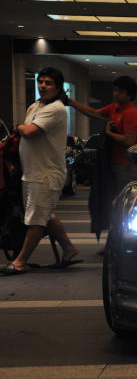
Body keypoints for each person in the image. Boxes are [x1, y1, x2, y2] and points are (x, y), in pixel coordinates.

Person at [1, 67, 80, 275]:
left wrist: (17, 127)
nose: (43, 86)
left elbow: (30, 132)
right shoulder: (35, 106)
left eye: (48, 83)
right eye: (41, 82)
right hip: (32, 172)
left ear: (57, 87)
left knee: (37, 219)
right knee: (44, 214)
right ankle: (69, 249)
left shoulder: (56, 108)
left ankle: (20, 261)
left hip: (46, 174)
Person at [67, 76, 137, 195]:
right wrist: (72, 103)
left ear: (130, 94)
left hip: (127, 165)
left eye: (121, 91)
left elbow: (129, 141)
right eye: (115, 90)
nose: (116, 94)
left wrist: (109, 133)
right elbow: (93, 113)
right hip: (115, 162)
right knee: (112, 198)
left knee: (123, 199)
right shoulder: (114, 108)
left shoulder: (130, 113)